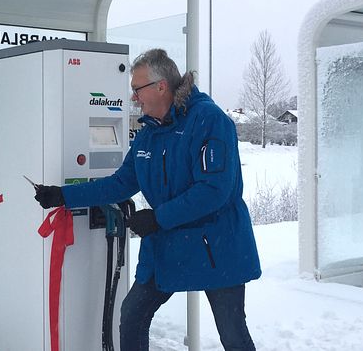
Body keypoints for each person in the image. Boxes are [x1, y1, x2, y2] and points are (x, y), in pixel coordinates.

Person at [34, 48, 260, 351]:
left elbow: (214, 190)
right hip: (169, 245)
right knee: (132, 314)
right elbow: (122, 182)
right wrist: (64, 195)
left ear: (161, 86)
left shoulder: (209, 120)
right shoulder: (149, 132)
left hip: (215, 246)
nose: (133, 98)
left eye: (136, 89)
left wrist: (158, 218)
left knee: (232, 333)